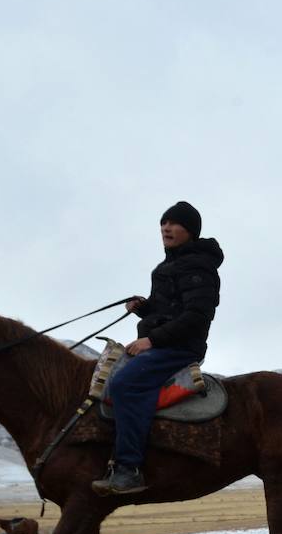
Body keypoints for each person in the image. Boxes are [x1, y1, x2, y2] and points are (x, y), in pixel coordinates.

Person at [93, 200, 224, 496]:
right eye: (163, 223)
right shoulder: (169, 265)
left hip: (179, 347)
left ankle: (129, 469)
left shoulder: (199, 266)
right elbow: (169, 310)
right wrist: (143, 308)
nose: (166, 228)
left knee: (125, 384)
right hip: (164, 343)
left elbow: (196, 316)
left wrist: (152, 340)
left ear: (190, 230)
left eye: (174, 223)